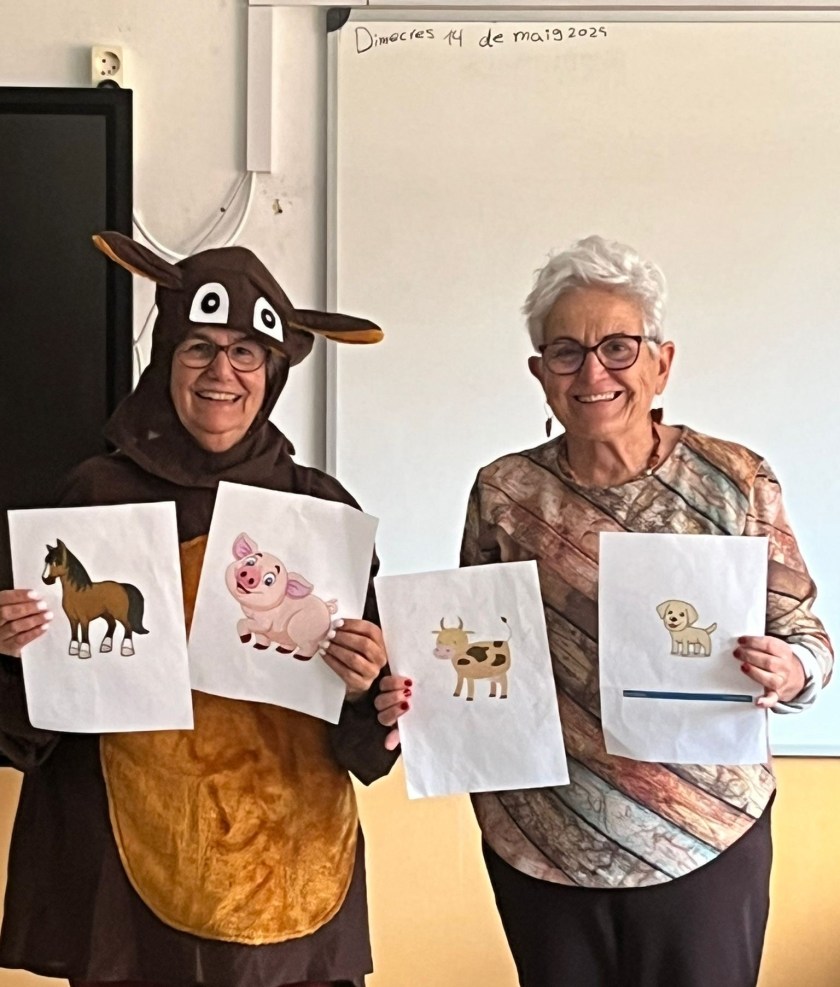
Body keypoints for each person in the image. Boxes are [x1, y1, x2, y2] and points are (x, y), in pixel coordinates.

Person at [377, 235, 833, 987]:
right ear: (540, 374)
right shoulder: (504, 492)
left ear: (661, 362)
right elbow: (476, 645)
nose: (593, 372)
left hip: (704, 832)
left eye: (618, 347)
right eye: (566, 352)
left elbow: (806, 635)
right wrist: (417, 696)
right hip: (542, 839)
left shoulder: (735, 479)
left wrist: (791, 669)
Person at [0, 232, 398, 987]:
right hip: (128, 876)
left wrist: (363, 684)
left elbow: (371, 736)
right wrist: (16, 652)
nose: (223, 372)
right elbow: (27, 726)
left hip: (287, 865)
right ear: (165, 356)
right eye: (199, 348)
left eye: (247, 352)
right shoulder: (93, 498)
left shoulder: (320, 512)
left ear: (273, 371)